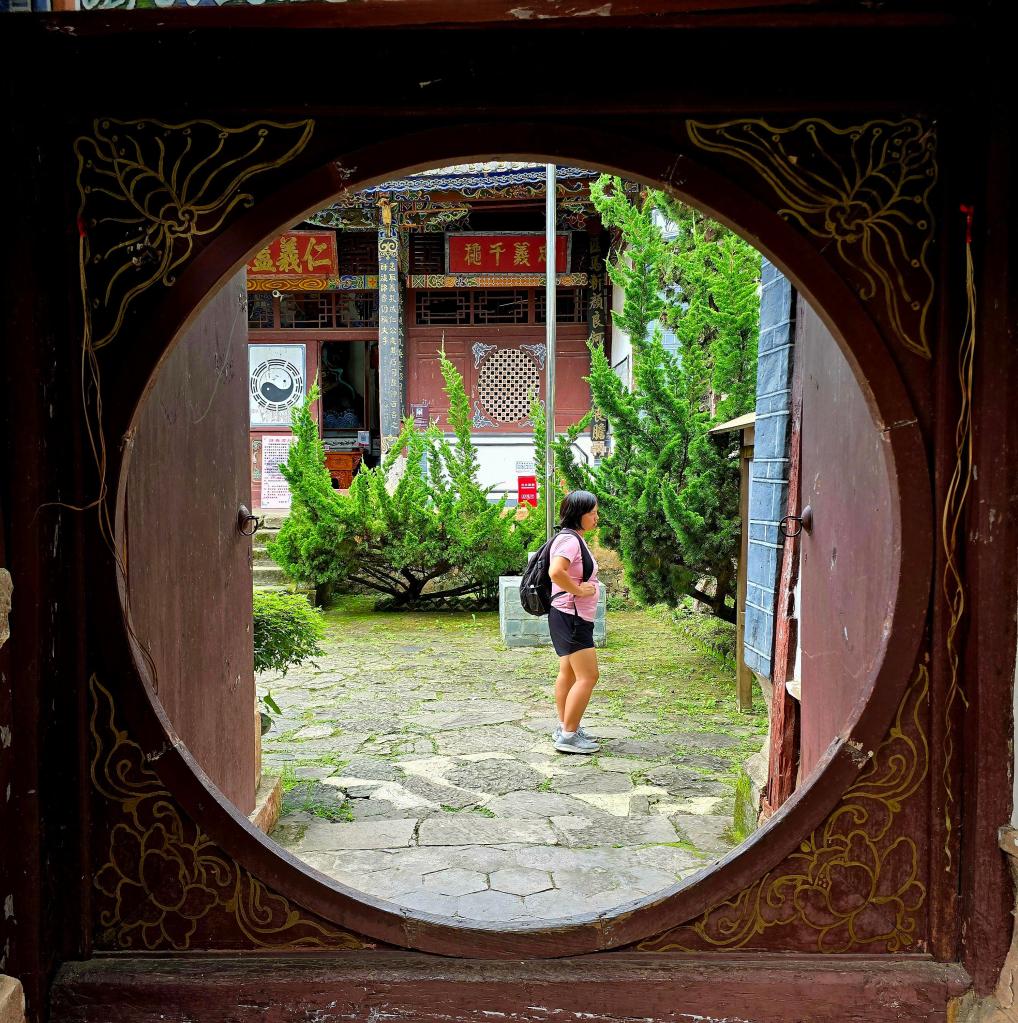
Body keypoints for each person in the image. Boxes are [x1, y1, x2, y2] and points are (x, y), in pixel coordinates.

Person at [547, 490, 601, 755]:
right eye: (592, 513)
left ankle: (567, 727)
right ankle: (568, 736)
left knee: (568, 673)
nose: (596, 518)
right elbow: (556, 572)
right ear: (578, 515)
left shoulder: (571, 538)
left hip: (568, 615)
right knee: (589, 676)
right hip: (573, 617)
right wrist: (579, 590)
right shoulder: (569, 541)